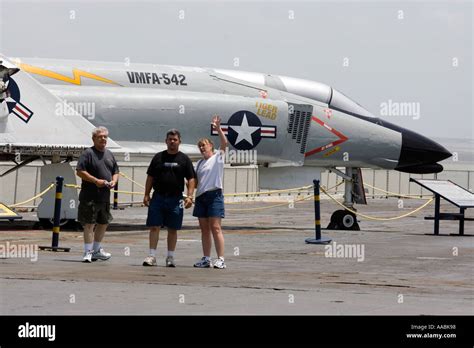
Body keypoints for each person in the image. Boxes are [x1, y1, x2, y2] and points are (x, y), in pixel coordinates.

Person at [143, 129, 196, 267]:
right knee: (154, 227)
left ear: (179, 141)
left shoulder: (184, 159)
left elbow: (191, 178)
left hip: (176, 199)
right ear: (166, 141)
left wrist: (190, 196)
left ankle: (170, 257)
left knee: (173, 229)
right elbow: (150, 177)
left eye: (175, 140)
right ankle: (152, 256)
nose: (172, 142)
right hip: (158, 197)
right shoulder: (158, 157)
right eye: (170, 139)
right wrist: (146, 194)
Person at [76, 126, 119, 263]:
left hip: (104, 197)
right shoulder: (87, 154)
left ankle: (96, 250)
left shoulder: (109, 154)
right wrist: (95, 181)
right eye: (100, 136)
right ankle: (87, 252)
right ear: (94, 138)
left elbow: (116, 171)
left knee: (103, 223)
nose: (103, 139)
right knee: (89, 224)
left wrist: (113, 181)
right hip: (90, 197)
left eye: (105, 137)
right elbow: (80, 171)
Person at [193, 115, 228, 269]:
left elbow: (224, 143)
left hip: (214, 195)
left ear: (211, 146)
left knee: (216, 227)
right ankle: (206, 258)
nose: (202, 147)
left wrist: (218, 128)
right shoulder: (199, 163)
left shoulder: (218, 157)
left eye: (204, 145)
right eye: (200, 146)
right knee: (204, 229)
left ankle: (220, 258)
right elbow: (193, 181)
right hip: (201, 197)